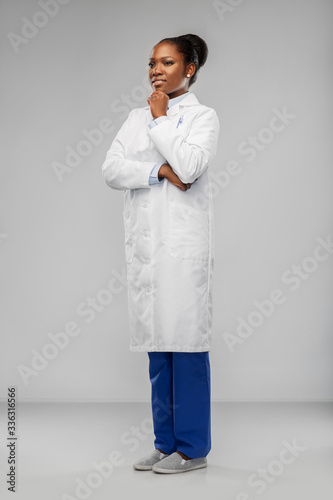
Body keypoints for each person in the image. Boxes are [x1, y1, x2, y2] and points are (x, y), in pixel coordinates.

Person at [101, 33, 220, 474]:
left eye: (166, 63)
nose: (155, 70)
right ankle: (164, 442)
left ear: (188, 69)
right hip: (148, 252)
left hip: (183, 251)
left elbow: (189, 167)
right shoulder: (135, 117)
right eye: (151, 62)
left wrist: (160, 121)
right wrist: (156, 170)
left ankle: (192, 450)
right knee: (158, 350)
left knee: (186, 349)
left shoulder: (202, 117)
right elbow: (112, 169)